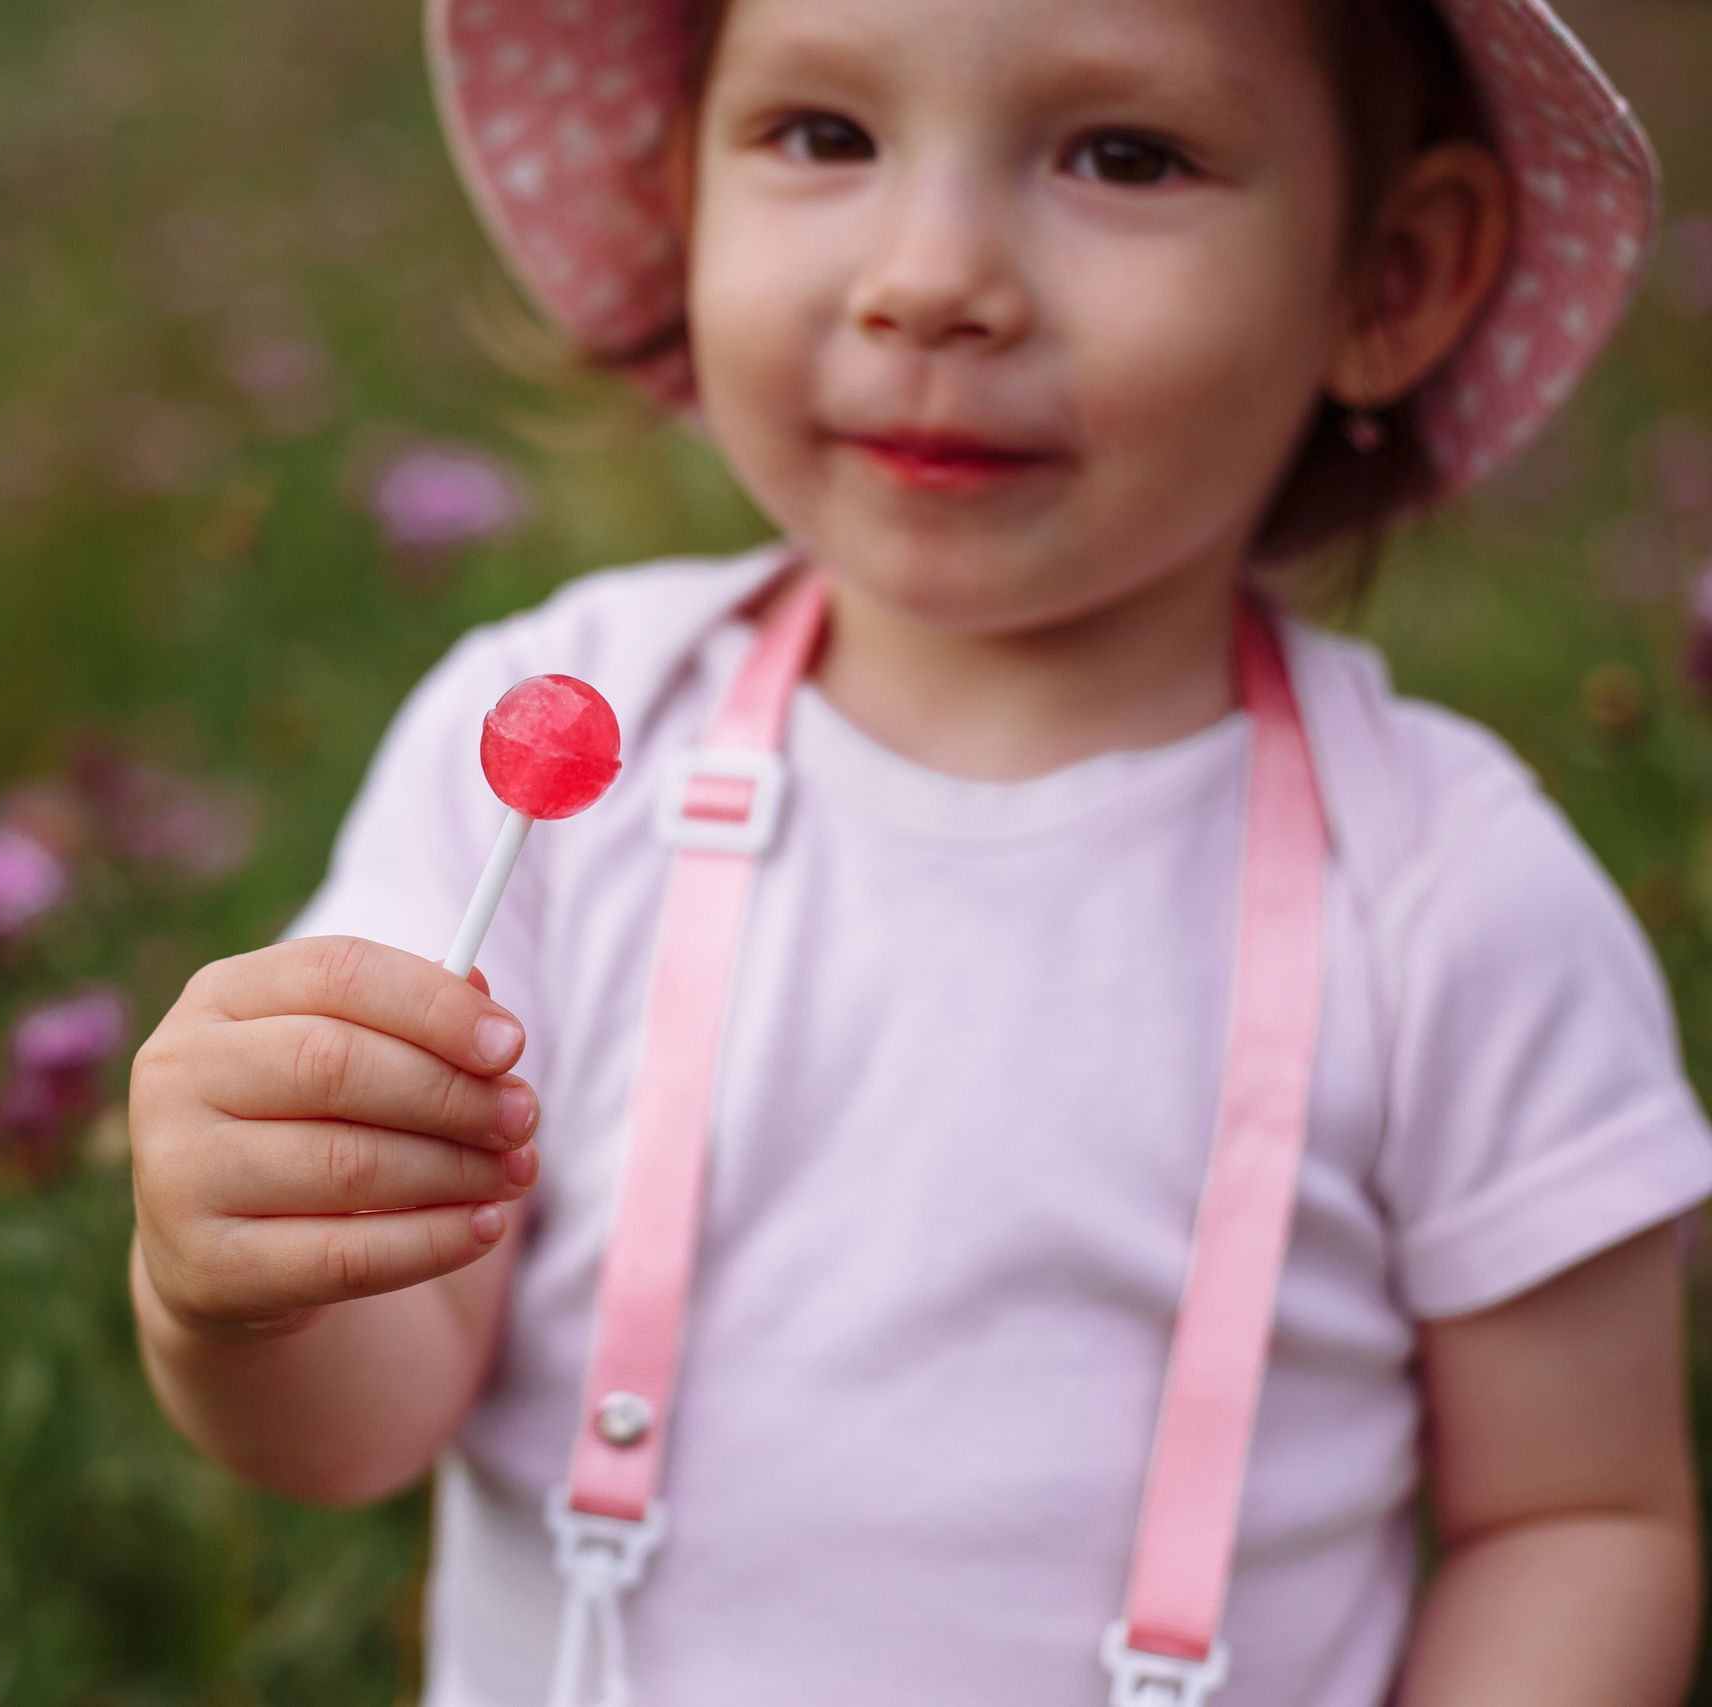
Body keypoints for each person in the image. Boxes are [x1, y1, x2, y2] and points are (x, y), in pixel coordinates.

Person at [128, 0, 1712, 1701]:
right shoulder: (554, 764)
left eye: (1125, 155)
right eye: (825, 135)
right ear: (683, 197)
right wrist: (238, 1285)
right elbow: (358, 1423)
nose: (934, 277)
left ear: (1389, 277)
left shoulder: (1448, 897)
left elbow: (1573, 1518)